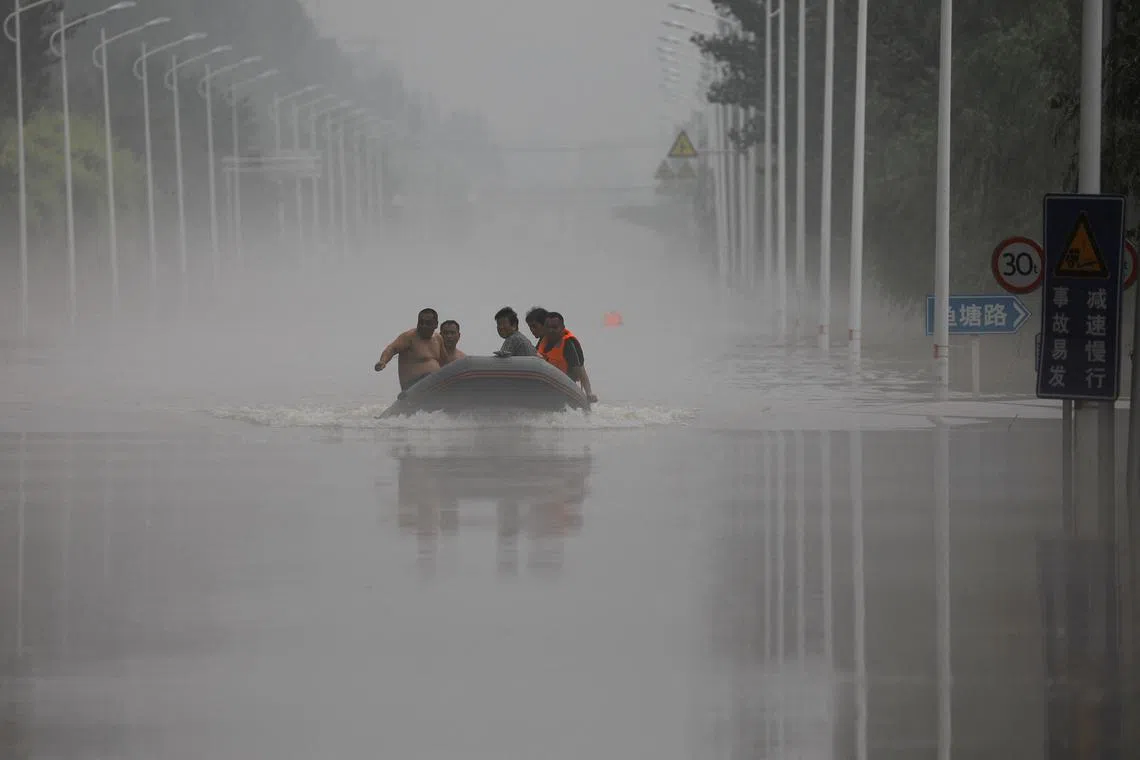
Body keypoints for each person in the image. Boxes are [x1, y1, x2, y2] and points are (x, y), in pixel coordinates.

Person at [374, 307, 444, 391]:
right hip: (413, 387)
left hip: (435, 385)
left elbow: (445, 360)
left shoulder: (438, 338)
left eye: (428, 323)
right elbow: (392, 349)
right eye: (421, 322)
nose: (423, 326)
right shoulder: (409, 337)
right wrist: (383, 361)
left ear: (435, 324)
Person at [538, 311, 597, 403]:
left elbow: (581, 371)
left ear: (562, 328)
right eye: (548, 327)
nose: (551, 330)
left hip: (565, 388)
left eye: (555, 327)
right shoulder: (543, 340)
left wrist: (589, 393)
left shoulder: (568, 344)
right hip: (546, 387)